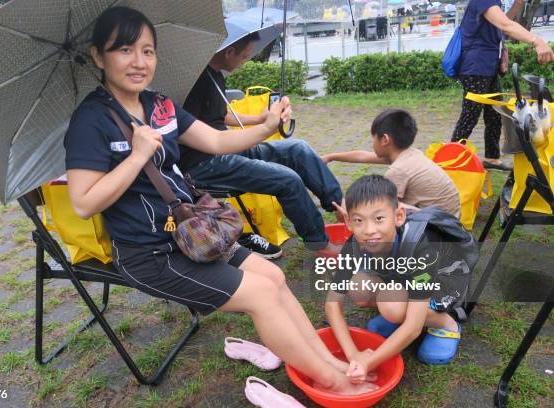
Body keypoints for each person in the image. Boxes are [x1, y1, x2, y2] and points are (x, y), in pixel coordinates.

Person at [64, 6, 362, 396]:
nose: (139, 62)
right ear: (99, 57)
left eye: (148, 51)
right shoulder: (89, 121)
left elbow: (218, 141)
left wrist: (268, 126)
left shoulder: (159, 105)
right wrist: (136, 156)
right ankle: (332, 382)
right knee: (260, 295)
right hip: (150, 253)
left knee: (274, 277)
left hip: (195, 230)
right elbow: (84, 203)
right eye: (124, 50)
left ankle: (326, 359)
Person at [179, 33, 343, 257]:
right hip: (203, 163)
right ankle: (319, 244)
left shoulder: (214, 75)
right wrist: (265, 128)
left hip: (225, 148)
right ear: (229, 52)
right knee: (287, 179)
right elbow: (193, 133)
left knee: (298, 149)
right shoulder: (192, 82)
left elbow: (222, 114)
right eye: (245, 57)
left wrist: (260, 118)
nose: (244, 61)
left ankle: (339, 207)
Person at [326, 175, 469, 381]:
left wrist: (368, 362)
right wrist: (353, 355)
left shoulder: (422, 246)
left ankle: (445, 323)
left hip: (446, 280)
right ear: (348, 222)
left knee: (392, 306)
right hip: (408, 278)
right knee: (358, 287)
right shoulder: (353, 245)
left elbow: (413, 329)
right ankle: (400, 314)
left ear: (399, 216)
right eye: (359, 220)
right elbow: (332, 305)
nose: (369, 230)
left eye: (379, 219)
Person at [451, 0, 554, 171]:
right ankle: (450, 157)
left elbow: (501, 23)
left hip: (489, 65)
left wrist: (517, 4)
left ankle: (492, 158)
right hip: (476, 67)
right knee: (470, 116)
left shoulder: (493, 2)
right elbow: (505, 25)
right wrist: (537, 41)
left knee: (494, 114)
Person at [322, 109, 460, 218]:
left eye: (373, 137)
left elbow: (381, 208)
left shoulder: (398, 170)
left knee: (372, 209)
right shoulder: (410, 154)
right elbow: (363, 156)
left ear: (385, 140)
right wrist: (331, 157)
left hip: (437, 231)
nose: (372, 142)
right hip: (449, 219)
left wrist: (348, 210)